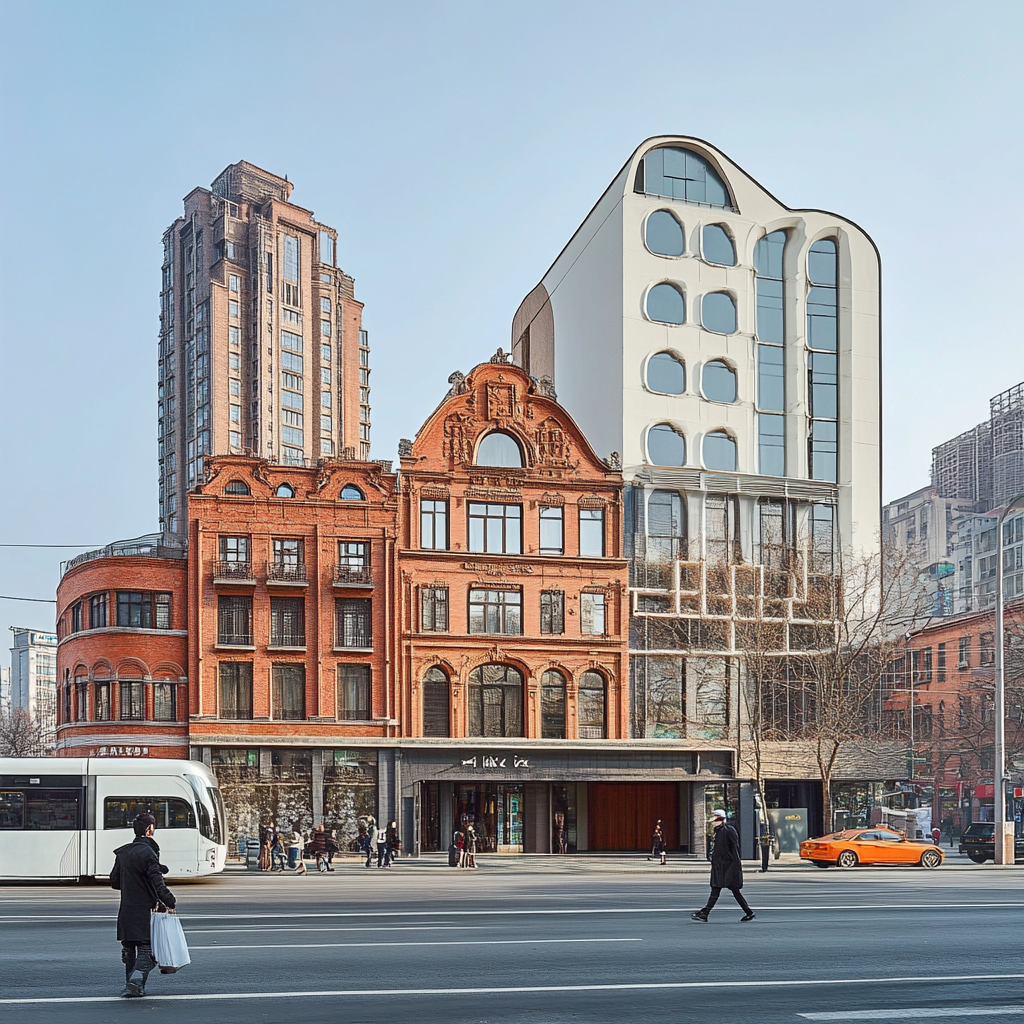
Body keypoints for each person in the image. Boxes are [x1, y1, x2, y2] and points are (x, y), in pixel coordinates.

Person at [110, 812, 177, 998]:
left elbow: (114, 882)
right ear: (150, 830)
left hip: (126, 910)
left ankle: (131, 985)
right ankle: (135, 982)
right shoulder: (149, 852)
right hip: (146, 909)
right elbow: (158, 883)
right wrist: (170, 900)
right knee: (148, 949)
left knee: (129, 950)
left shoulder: (123, 852)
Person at [692, 809, 755, 923]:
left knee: (725, 889)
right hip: (722, 866)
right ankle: (748, 912)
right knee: (720, 889)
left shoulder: (727, 830)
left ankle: (705, 912)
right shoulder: (720, 831)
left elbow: (733, 849)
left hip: (727, 867)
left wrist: (732, 865)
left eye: (715, 818)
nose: (713, 822)